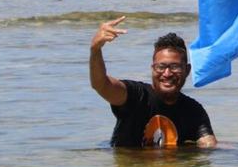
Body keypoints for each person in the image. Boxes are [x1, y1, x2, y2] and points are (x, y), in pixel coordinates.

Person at [90, 16, 217, 148]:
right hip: (130, 165)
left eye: (175, 67)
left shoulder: (193, 111)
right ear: (152, 69)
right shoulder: (135, 96)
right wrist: (95, 50)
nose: (167, 74)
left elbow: (208, 145)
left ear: (187, 70)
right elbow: (101, 85)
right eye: (161, 67)